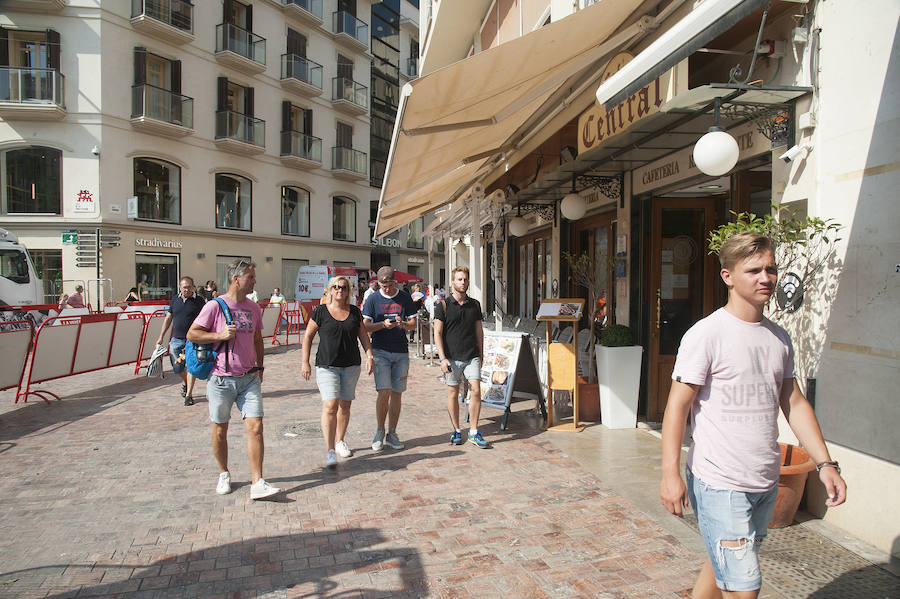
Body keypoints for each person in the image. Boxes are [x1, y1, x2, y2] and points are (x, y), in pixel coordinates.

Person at [659, 232, 847, 599]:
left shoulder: (778, 338)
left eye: (771, 269)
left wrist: (826, 464)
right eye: (754, 270)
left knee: (722, 566)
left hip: (763, 480)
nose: (766, 278)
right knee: (745, 587)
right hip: (719, 482)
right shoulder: (707, 334)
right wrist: (669, 475)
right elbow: (676, 407)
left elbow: (793, 403)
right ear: (727, 276)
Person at [187, 259, 280, 500]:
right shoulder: (215, 306)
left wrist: (260, 366)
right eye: (251, 277)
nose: (255, 281)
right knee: (220, 430)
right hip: (220, 379)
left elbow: (258, 339)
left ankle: (257, 481)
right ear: (236, 279)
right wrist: (218, 335)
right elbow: (192, 333)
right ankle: (223, 473)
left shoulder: (253, 307)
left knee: (256, 427)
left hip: (249, 378)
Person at [301, 276, 374, 468]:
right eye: (336, 287)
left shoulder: (355, 312)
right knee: (330, 404)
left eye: (344, 287)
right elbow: (308, 336)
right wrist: (305, 362)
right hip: (326, 365)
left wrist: (370, 356)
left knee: (345, 405)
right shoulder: (321, 312)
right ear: (330, 290)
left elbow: (363, 336)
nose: (340, 290)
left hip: (351, 365)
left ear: (348, 291)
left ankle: (340, 440)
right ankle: (330, 449)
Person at [362, 266, 417, 451]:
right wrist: (382, 325)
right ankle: (379, 430)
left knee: (397, 393)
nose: (387, 288)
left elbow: (413, 324)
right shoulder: (372, 298)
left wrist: (403, 324)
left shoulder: (404, 298)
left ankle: (392, 432)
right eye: (383, 285)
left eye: (390, 284)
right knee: (383, 391)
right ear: (378, 283)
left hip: (401, 352)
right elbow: (365, 327)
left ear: (395, 282)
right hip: (380, 351)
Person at [433, 266, 489, 448]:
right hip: (452, 357)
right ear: (452, 282)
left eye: (465, 279)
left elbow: (479, 331)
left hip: (472, 355)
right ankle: (456, 430)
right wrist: (442, 358)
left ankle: (473, 431)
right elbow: (437, 333)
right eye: (459, 279)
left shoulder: (475, 305)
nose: (463, 282)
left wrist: (481, 353)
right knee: (453, 393)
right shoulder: (442, 305)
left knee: (475, 390)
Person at [156, 276, 206, 406]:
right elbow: (168, 318)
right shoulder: (175, 300)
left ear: (193, 287)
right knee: (177, 368)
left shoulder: (199, 301)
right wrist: (161, 336)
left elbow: (206, 319)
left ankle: (189, 395)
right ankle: (185, 382)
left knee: (191, 367)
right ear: (180, 287)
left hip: (193, 339)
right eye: (184, 287)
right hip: (176, 339)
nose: (187, 290)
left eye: (189, 287)